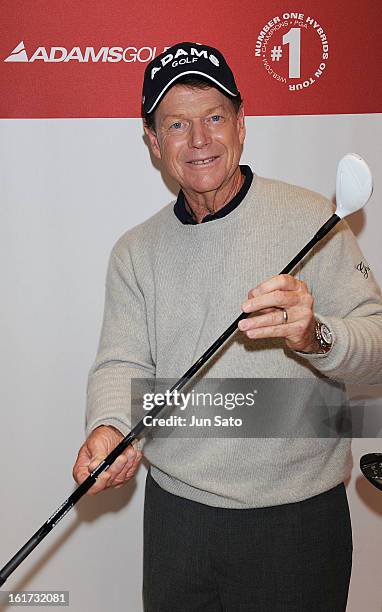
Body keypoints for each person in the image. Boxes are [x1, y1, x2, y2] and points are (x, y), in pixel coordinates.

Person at [72, 42, 382, 611]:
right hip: (177, 519)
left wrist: (317, 336)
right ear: (152, 141)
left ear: (242, 124)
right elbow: (123, 362)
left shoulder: (316, 219)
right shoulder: (135, 251)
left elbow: (378, 347)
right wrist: (110, 427)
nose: (199, 140)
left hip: (299, 521)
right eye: (176, 124)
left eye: (214, 117)